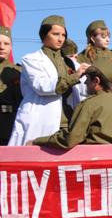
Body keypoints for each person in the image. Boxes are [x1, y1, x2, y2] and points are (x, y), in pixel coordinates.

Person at [8, 15, 89, 145]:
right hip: (41, 119)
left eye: (63, 35)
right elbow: (42, 87)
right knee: (33, 160)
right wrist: (75, 77)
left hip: (68, 121)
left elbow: (84, 89)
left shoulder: (71, 63)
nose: (60, 38)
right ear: (44, 35)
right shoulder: (31, 60)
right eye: (56, 34)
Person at [29, 57, 112, 149]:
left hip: (90, 159)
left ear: (96, 81)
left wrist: (37, 141)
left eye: (87, 79)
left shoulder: (88, 105)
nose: (85, 83)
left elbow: (70, 140)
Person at [0, 26, 21, 145]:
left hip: (11, 127)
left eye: (6, 43)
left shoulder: (20, 72)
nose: (2, 47)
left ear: (11, 46)